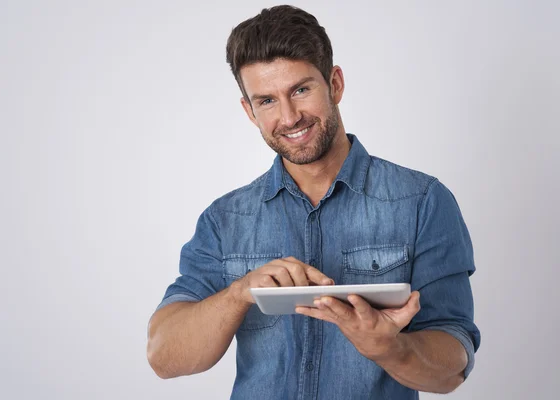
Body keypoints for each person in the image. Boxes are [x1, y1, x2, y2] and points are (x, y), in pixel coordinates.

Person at [147, 5, 480, 399]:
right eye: (267, 101)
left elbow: (452, 369)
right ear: (249, 111)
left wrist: (391, 348)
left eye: (301, 90)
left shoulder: (422, 201)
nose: (289, 117)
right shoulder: (225, 220)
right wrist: (240, 293)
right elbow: (164, 357)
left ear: (335, 84)